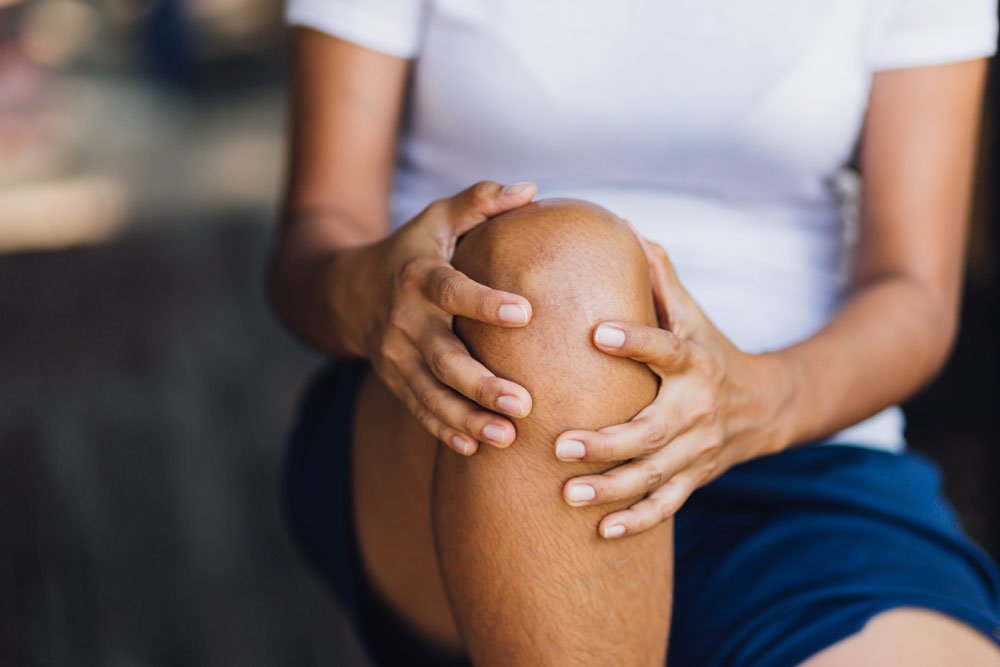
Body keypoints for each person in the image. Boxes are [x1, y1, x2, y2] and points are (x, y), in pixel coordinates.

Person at [269, 1, 1000, 665]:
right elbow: (316, 235)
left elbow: (914, 293)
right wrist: (364, 290)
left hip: (794, 444)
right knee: (563, 282)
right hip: (461, 430)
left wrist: (757, 400)